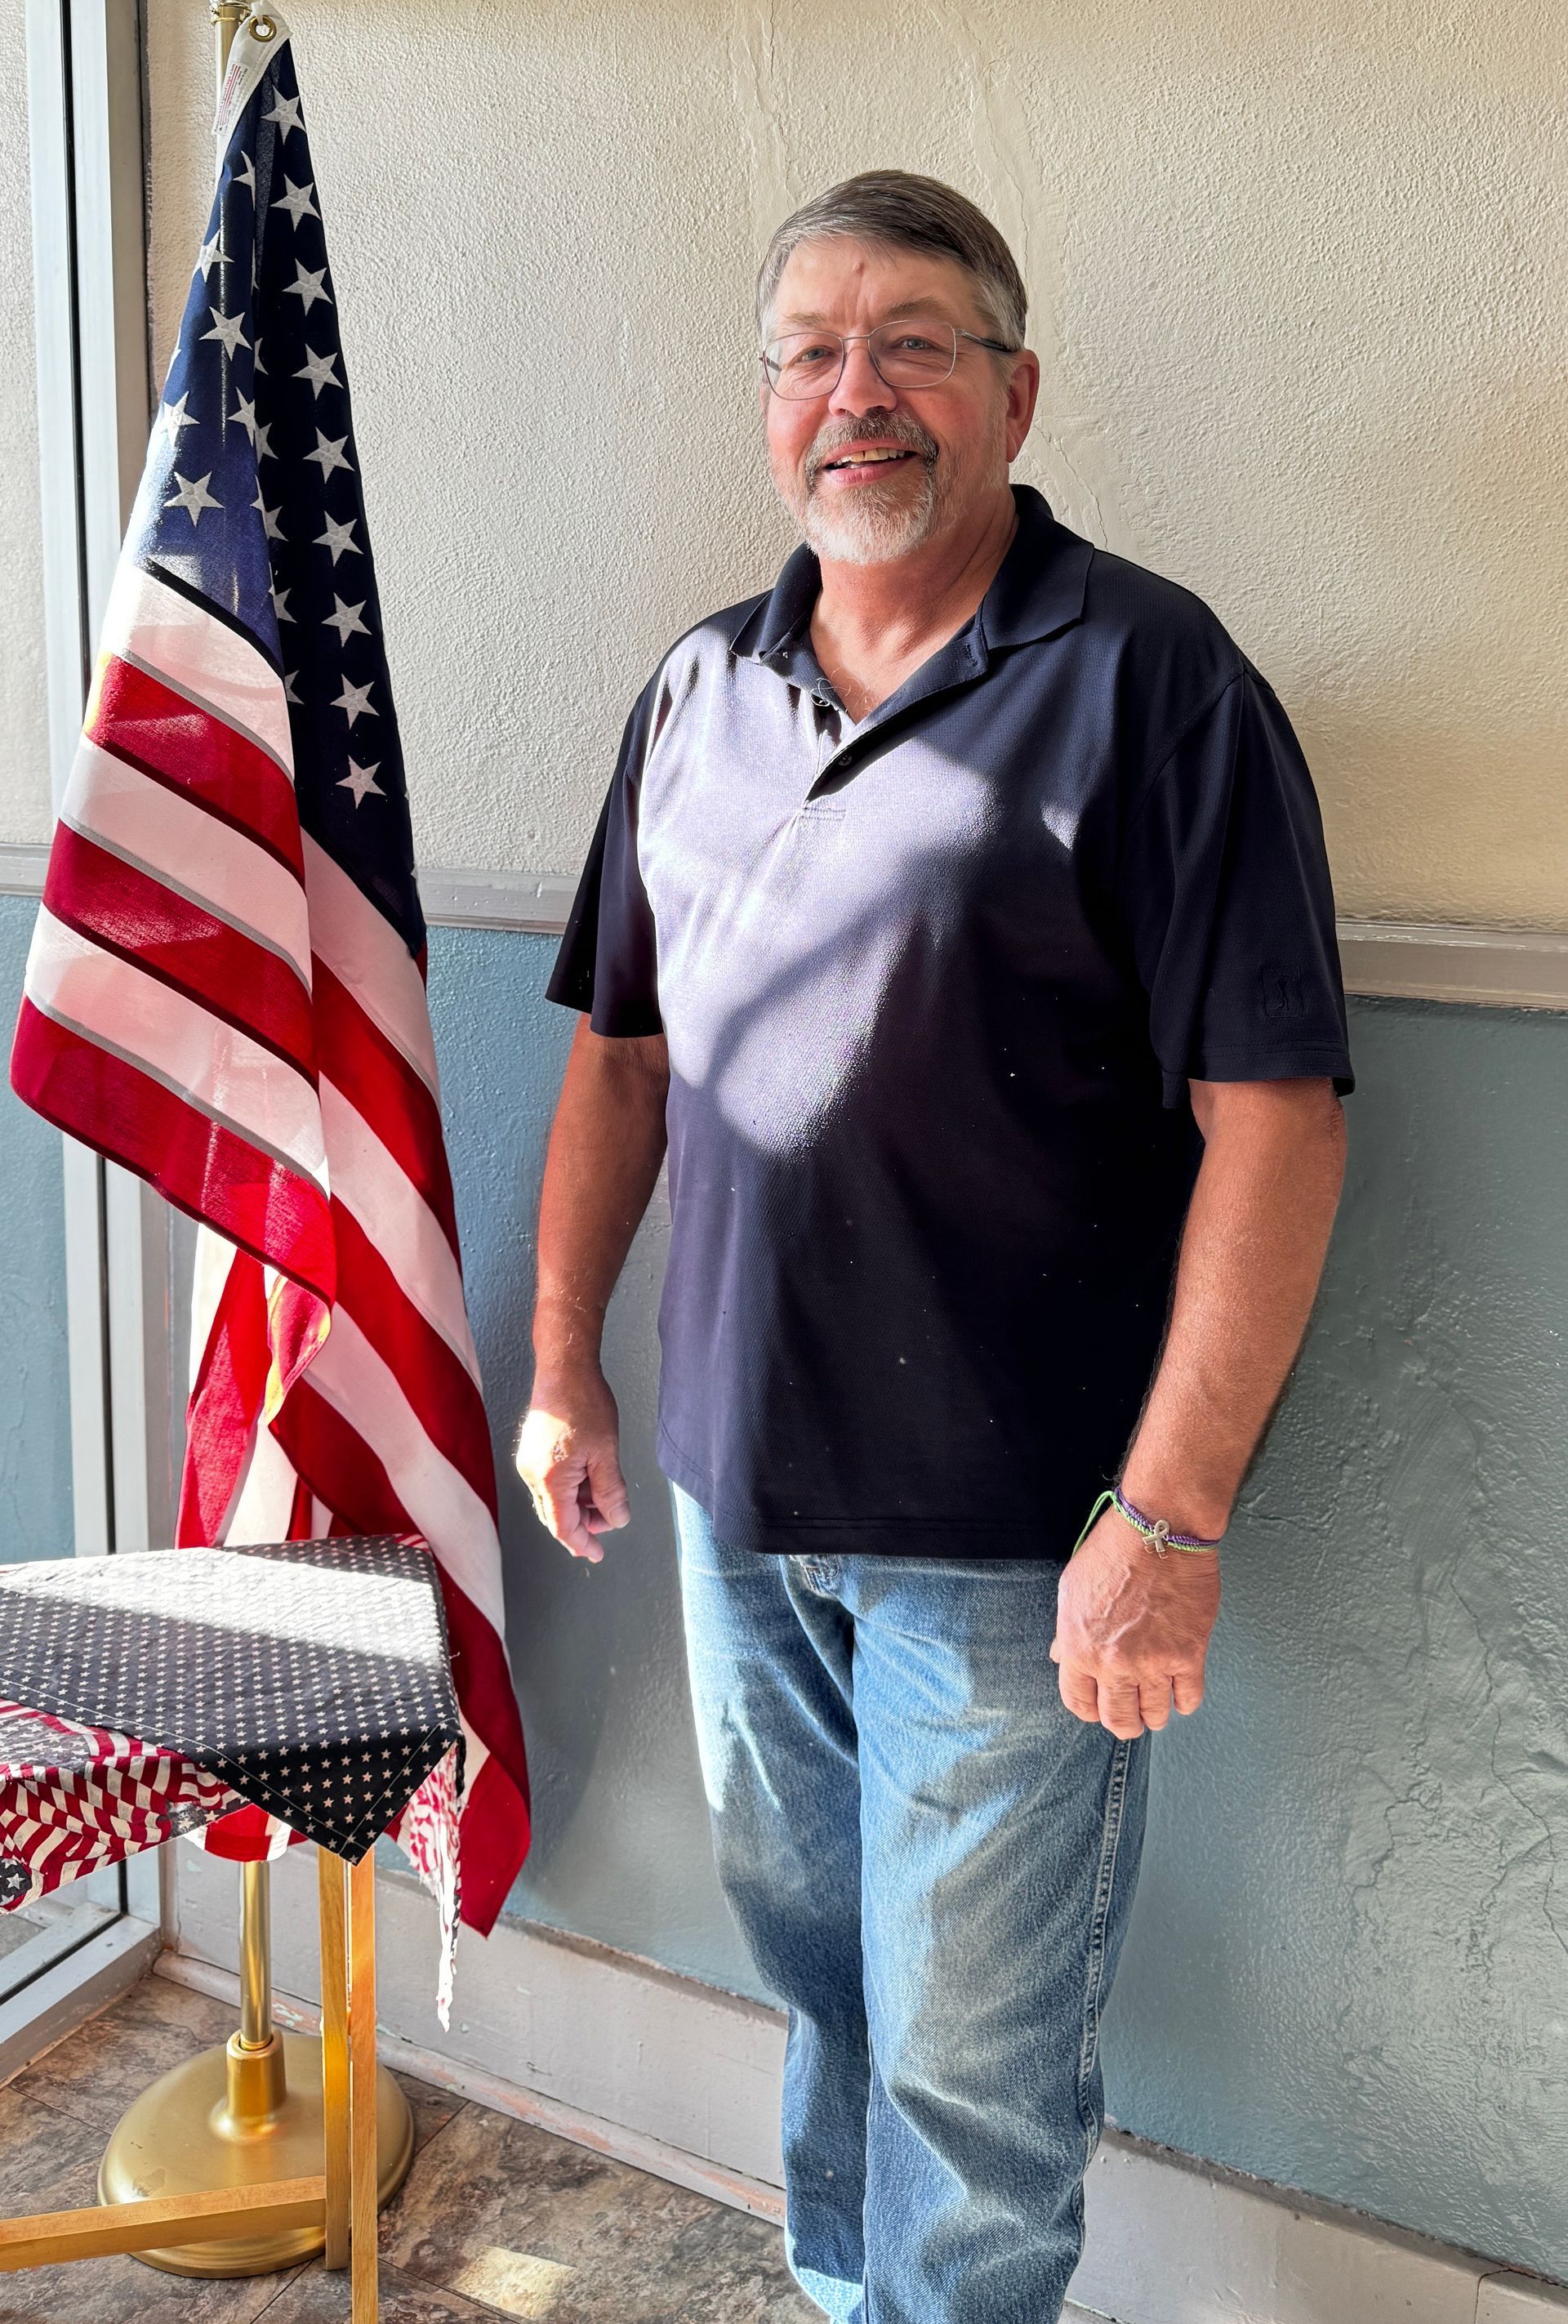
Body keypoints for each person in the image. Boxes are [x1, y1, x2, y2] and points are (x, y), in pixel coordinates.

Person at [517, 170, 1351, 2324]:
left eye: (912, 343)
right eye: (809, 348)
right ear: (767, 400)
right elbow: (622, 1061)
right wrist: (565, 1361)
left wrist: (1170, 1514)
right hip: (735, 1508)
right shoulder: (694, 696)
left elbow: (1276, 1118)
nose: (853, 393)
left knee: (971, 2103)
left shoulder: (1154, 683)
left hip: (1011, 1549)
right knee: (824, 2003)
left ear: (1014, 390)